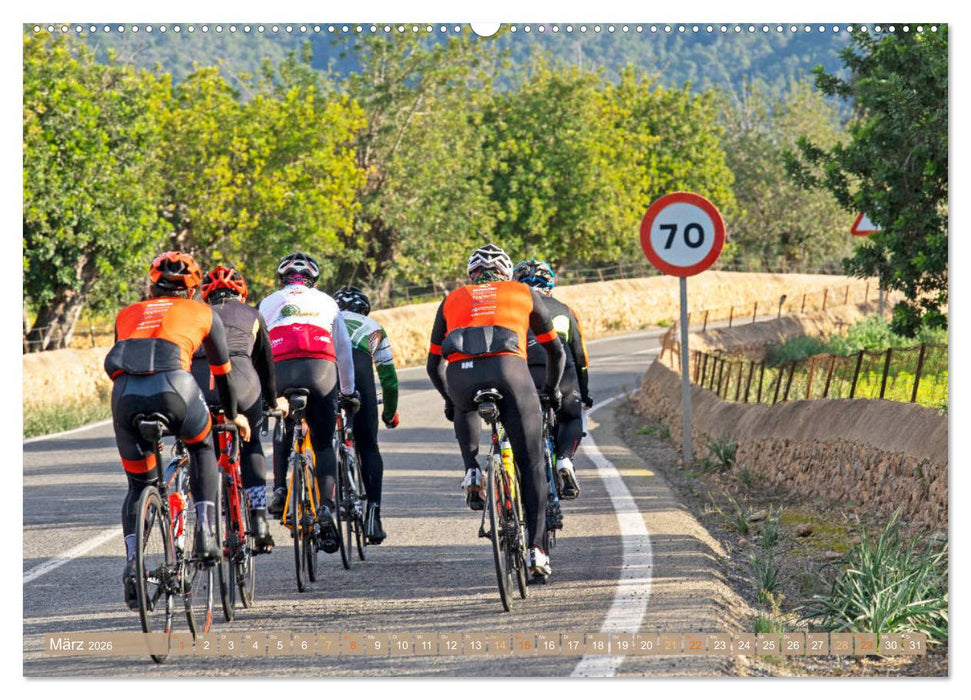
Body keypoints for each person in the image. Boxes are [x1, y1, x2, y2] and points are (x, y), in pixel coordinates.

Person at [104, 251, 251, 609]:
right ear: (194, 289)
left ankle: (132, 563)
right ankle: (204, 529)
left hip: (125, 396)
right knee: (202, 449)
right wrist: (233, 415)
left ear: (152, 286)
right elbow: (223, 375)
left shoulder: (126, 314)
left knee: (140, 485)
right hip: (177, 389)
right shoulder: (205, 312)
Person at [426, 244, 565, 581]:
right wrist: (551, 390)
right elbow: (555, 351)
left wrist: (451, 399)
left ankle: (472, 470)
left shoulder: (452, 298)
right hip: (511, 373)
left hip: (463, 375)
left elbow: (434, 365)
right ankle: (537, 550)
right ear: (506, 273)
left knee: (463, 404)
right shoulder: (525, 292)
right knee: (530, 462)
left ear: (470, 275)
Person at [259, 252, 359, 555]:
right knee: (324, 442)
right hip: (321, 369)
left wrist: (263, 395)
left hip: (282, 370)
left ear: (281, 280)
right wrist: (349, 391)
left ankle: (278, 490)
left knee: (285, 424)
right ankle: (327, 506)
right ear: (313, 281)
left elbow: (257, 350)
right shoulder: (328, 302)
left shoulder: (267, 302)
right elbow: (343, 350)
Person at [190, 266, 289, 554]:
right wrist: (273, 402)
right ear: (241, 293)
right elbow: (266, 365)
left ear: (207, 295)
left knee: (200, 449)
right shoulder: (253, 315)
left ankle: (203, 522)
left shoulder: (198, 315)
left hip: (200, 382)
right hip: (244, 381)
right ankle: (258, 519)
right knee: (252, 442)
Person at [512, 259, 593, 499]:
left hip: (522, 373)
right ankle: (565, 460)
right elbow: (580, 357)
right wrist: (584, 395)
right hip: (561, 373)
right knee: (570, 417)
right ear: (550, 284)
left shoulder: (510, 310)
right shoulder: (565, 310)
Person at [333, 285, 400, 545]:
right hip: (360, 380)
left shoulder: (327, 319)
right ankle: (373, 514)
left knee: (321, 440)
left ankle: (324, 507)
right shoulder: (373, 326)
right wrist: (390, 413)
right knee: (369, 446)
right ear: (364, 309)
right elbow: (389, 379)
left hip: (329, 374)